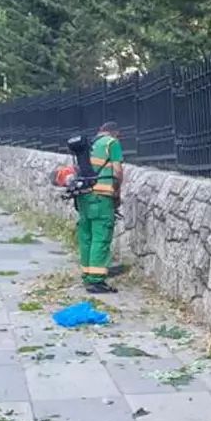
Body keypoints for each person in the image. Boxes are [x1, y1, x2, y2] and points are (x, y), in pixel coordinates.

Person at [76, 122, 124, 293]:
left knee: (86, 235)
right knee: (101, 236)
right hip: (101, 197)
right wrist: (117, 192)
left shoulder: (90, 144)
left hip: (84, 196)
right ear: (115, 133)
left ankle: (87, 275)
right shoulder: (112, 143)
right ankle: (96, 281)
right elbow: (117, 172)